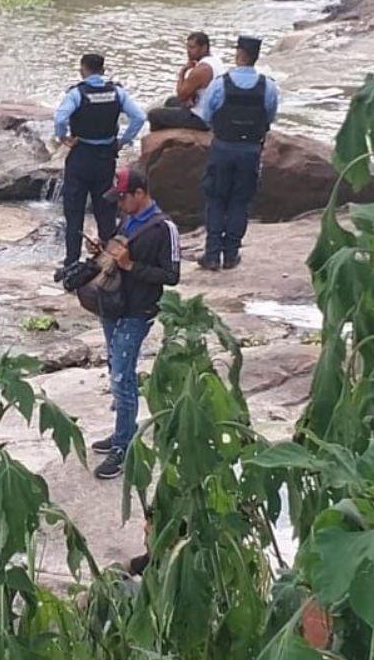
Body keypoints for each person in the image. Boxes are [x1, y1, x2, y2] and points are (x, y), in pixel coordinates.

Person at [90, 167, 180, 480]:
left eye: (123, 198)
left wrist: (132, 266)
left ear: (140, 194)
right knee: (114, 366)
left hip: (138, 310)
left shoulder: (164, 228)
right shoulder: (128, 219)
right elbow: (121, 248)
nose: (119, 204)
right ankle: (120, 433)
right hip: (113, 304)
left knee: (122, 376)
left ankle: (124, 445)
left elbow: (171, 276)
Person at [193, 33, 280, 271]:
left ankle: (211, 255)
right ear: (256, 56)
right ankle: (231, 255)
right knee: (240, 201)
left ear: (239, 54)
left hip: (222, 147)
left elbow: (206, 115)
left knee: (215, 198)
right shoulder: (268, 86)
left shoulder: (220, 83)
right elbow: (269, 116)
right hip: (251, 149)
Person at [53, 53, 146, 269]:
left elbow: (60, 118)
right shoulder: (116, 92)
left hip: (81, 155)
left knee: (74, 210)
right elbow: (139, 117)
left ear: (83, 69)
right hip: (105, 156)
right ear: (103, 70)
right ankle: (109, 259)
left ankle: (71, 262)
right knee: (105, 209)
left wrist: (63, 137)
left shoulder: (77, 93)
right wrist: (123, 140)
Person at [146, 32, 226, 132]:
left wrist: (183, 71)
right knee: (170, 101)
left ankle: (158, 142)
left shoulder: (201, 69)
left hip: (201, 119)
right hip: (213, 113)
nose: (188, 51)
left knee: (153, 115)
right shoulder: (216, 61)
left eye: (192, 47)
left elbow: (181, 96)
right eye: (187, 47)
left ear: (204, 47)